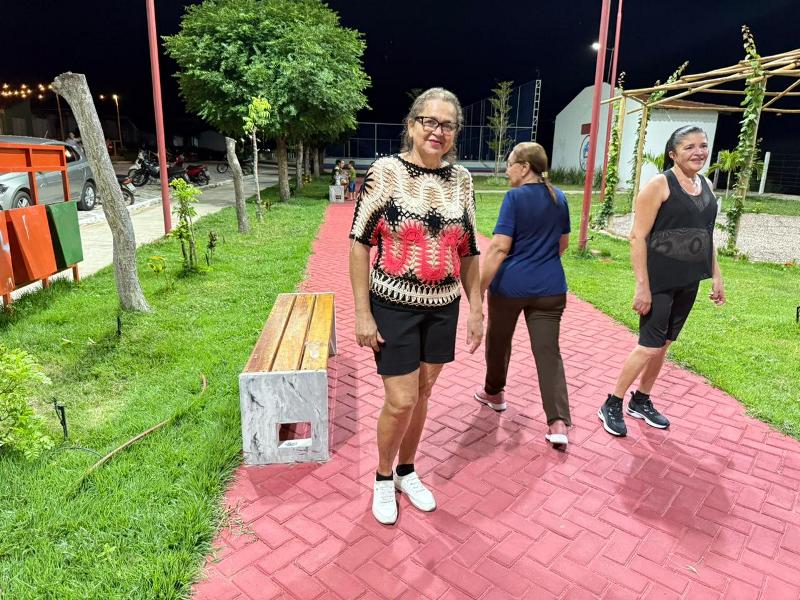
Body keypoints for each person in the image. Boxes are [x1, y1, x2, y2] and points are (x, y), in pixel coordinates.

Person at [348, 87, 483, 525]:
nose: (437, 131)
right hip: (393, 305)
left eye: (448, 125)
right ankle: (382, 476)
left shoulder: (462, 180)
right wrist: (362, 312)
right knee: (401, 398)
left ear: (455, 132)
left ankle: (407, 470)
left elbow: (469, 250)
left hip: (443, 306)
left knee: (423, 393)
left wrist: (476, 309)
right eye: (429, 121)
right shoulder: (386, 172)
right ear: (411, 126)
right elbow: (359, 243)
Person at [598, 125, 725, 437]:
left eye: (702, 145)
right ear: (673, 153)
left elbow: (707, 235)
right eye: (689, 147)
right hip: (660, 281)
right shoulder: (659, 185)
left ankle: (640, 400)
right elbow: (637, 237)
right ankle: (611, 403)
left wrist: (717, 275)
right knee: (648, 346)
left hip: (689, 280)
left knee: (664, 345)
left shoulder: (706, 185)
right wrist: (642, 286)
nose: (698, 152)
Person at [475, 142, 572, 449]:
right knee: (548, 352)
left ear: (525, 167)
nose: (507, 170)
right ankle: (558, 422)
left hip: (510, 288)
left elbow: (499, 247)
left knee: (498, 341)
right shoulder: (560, 197)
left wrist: (479, 288)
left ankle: (494, 393)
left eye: (510, 164)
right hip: (550, 288)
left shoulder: (514, 198)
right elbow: (563, 245)